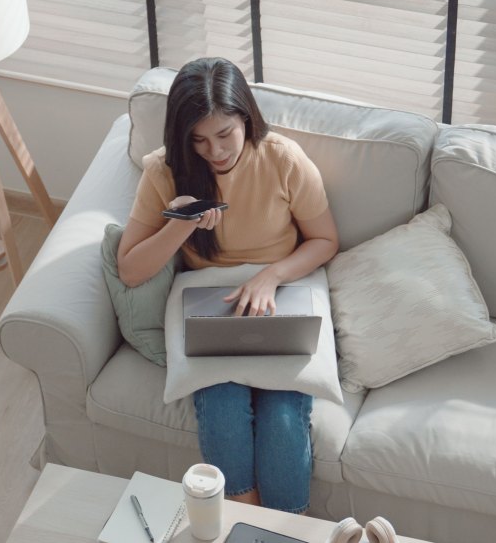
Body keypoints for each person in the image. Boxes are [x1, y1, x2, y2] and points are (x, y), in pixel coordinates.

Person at [117, 57, 339, 514]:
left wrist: (271, 276)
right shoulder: (163, 171)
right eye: (198, 140)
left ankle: (282, 528)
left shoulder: (282, 159)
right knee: (221, 409)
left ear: (245, 118)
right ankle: (242, 520)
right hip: (209, 300)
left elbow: (325, 240)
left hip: (280, 293)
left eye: (224, 135)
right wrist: (182, 224)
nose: (214, 152)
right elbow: (130, 270)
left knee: (282, 418)